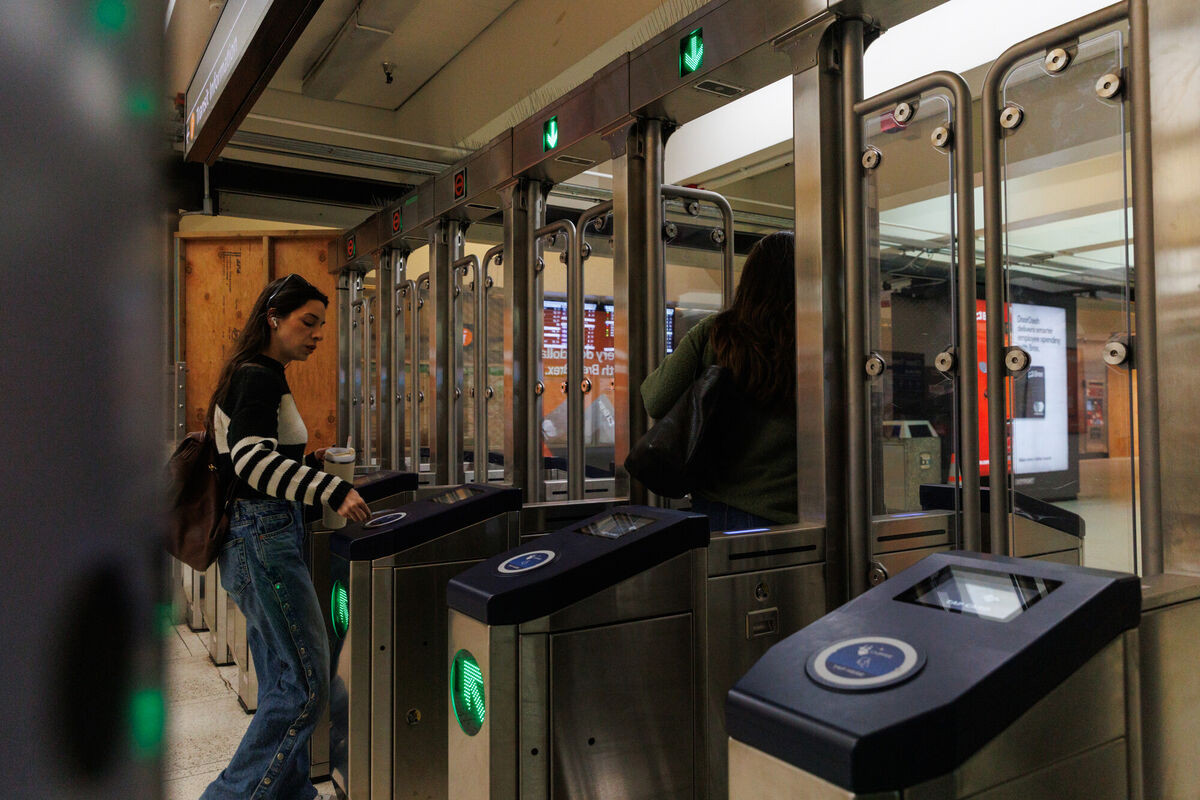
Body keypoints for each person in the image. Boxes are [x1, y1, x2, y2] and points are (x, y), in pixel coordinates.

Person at [200, 273, 370, 800]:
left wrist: (307, 463)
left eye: (322, 324)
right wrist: (328, 490)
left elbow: (253, 453)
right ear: (274, 318)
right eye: (308, 322)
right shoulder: (259, 376)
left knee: (282, 682)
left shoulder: (260, 372)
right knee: (305, 687)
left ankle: (294, 795)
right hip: (263, 535)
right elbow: (251, 462)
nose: (317, 334)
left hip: (262, 534)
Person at [640, 230, 797, 531]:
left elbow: (655, 398)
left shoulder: (717, 332)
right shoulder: (817, 338)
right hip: (803, 513)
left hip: (719, 508)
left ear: (750, 280)